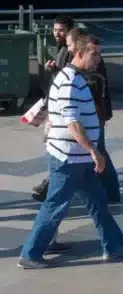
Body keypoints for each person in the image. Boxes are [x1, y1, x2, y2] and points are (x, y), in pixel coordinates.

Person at [18, 34, 123, 269]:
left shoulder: (76, 78)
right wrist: (93, 150)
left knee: (97, 201)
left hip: (77, 157)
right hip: (70, 157)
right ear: (79, 54)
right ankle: (30, 254)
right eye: (94, 54)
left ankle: (113, 245)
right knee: (55, 205)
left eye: (99, 54)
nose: (98, 59)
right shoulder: (70, 81)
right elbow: (72, 123)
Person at [66, 29, 120, 203]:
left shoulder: (88, 71)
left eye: (69, 44)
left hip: (92, 122)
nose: (97, 58)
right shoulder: (71, 73)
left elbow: (73, 119)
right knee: (94, 201)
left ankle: (111, 193)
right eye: (95, 54)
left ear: (77, 46)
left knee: (56, 201)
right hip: (85, 130)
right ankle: (108, 199)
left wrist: (92, 150)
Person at [32, 15, 76, 201]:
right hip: (57, 105)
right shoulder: (63, 48)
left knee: (57, 145)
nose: (57, 33)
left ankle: (49, 186)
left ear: (70, 31)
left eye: (61, 30)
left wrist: (54, 70)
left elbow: (68, 78)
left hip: (63, 108)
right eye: (55, 29)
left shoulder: (70, 51)